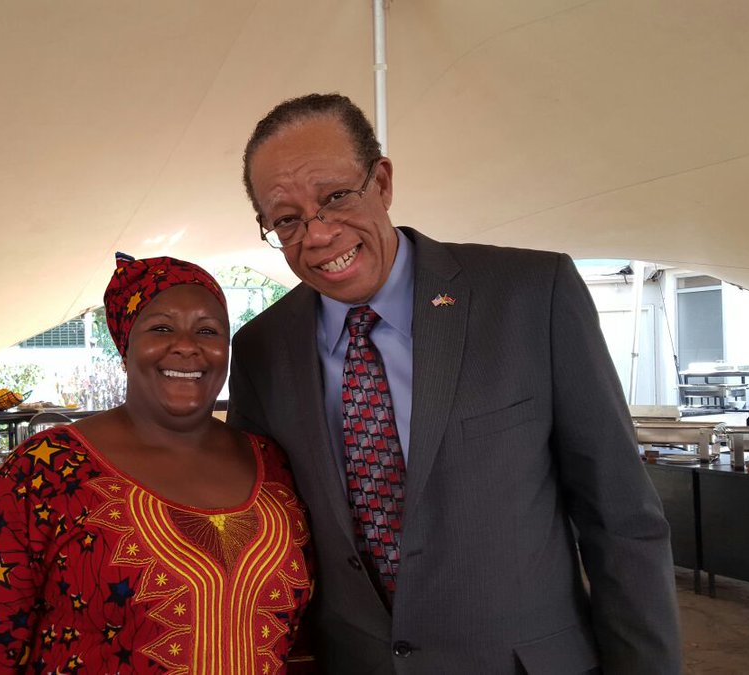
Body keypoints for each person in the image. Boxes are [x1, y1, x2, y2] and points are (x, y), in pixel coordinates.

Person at [227, 93, 681, 674]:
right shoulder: (262, 348)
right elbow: (265, 535)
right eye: (287, 219)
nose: (316, 235)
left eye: (336, 196)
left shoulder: (531, 295)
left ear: (382, 182)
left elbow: (622, 520)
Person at [0, 254, 313, 674]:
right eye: (161, 328)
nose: (187, 345)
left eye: (208, 330)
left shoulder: (271, 462)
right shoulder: (45, 470)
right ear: (126, 348)